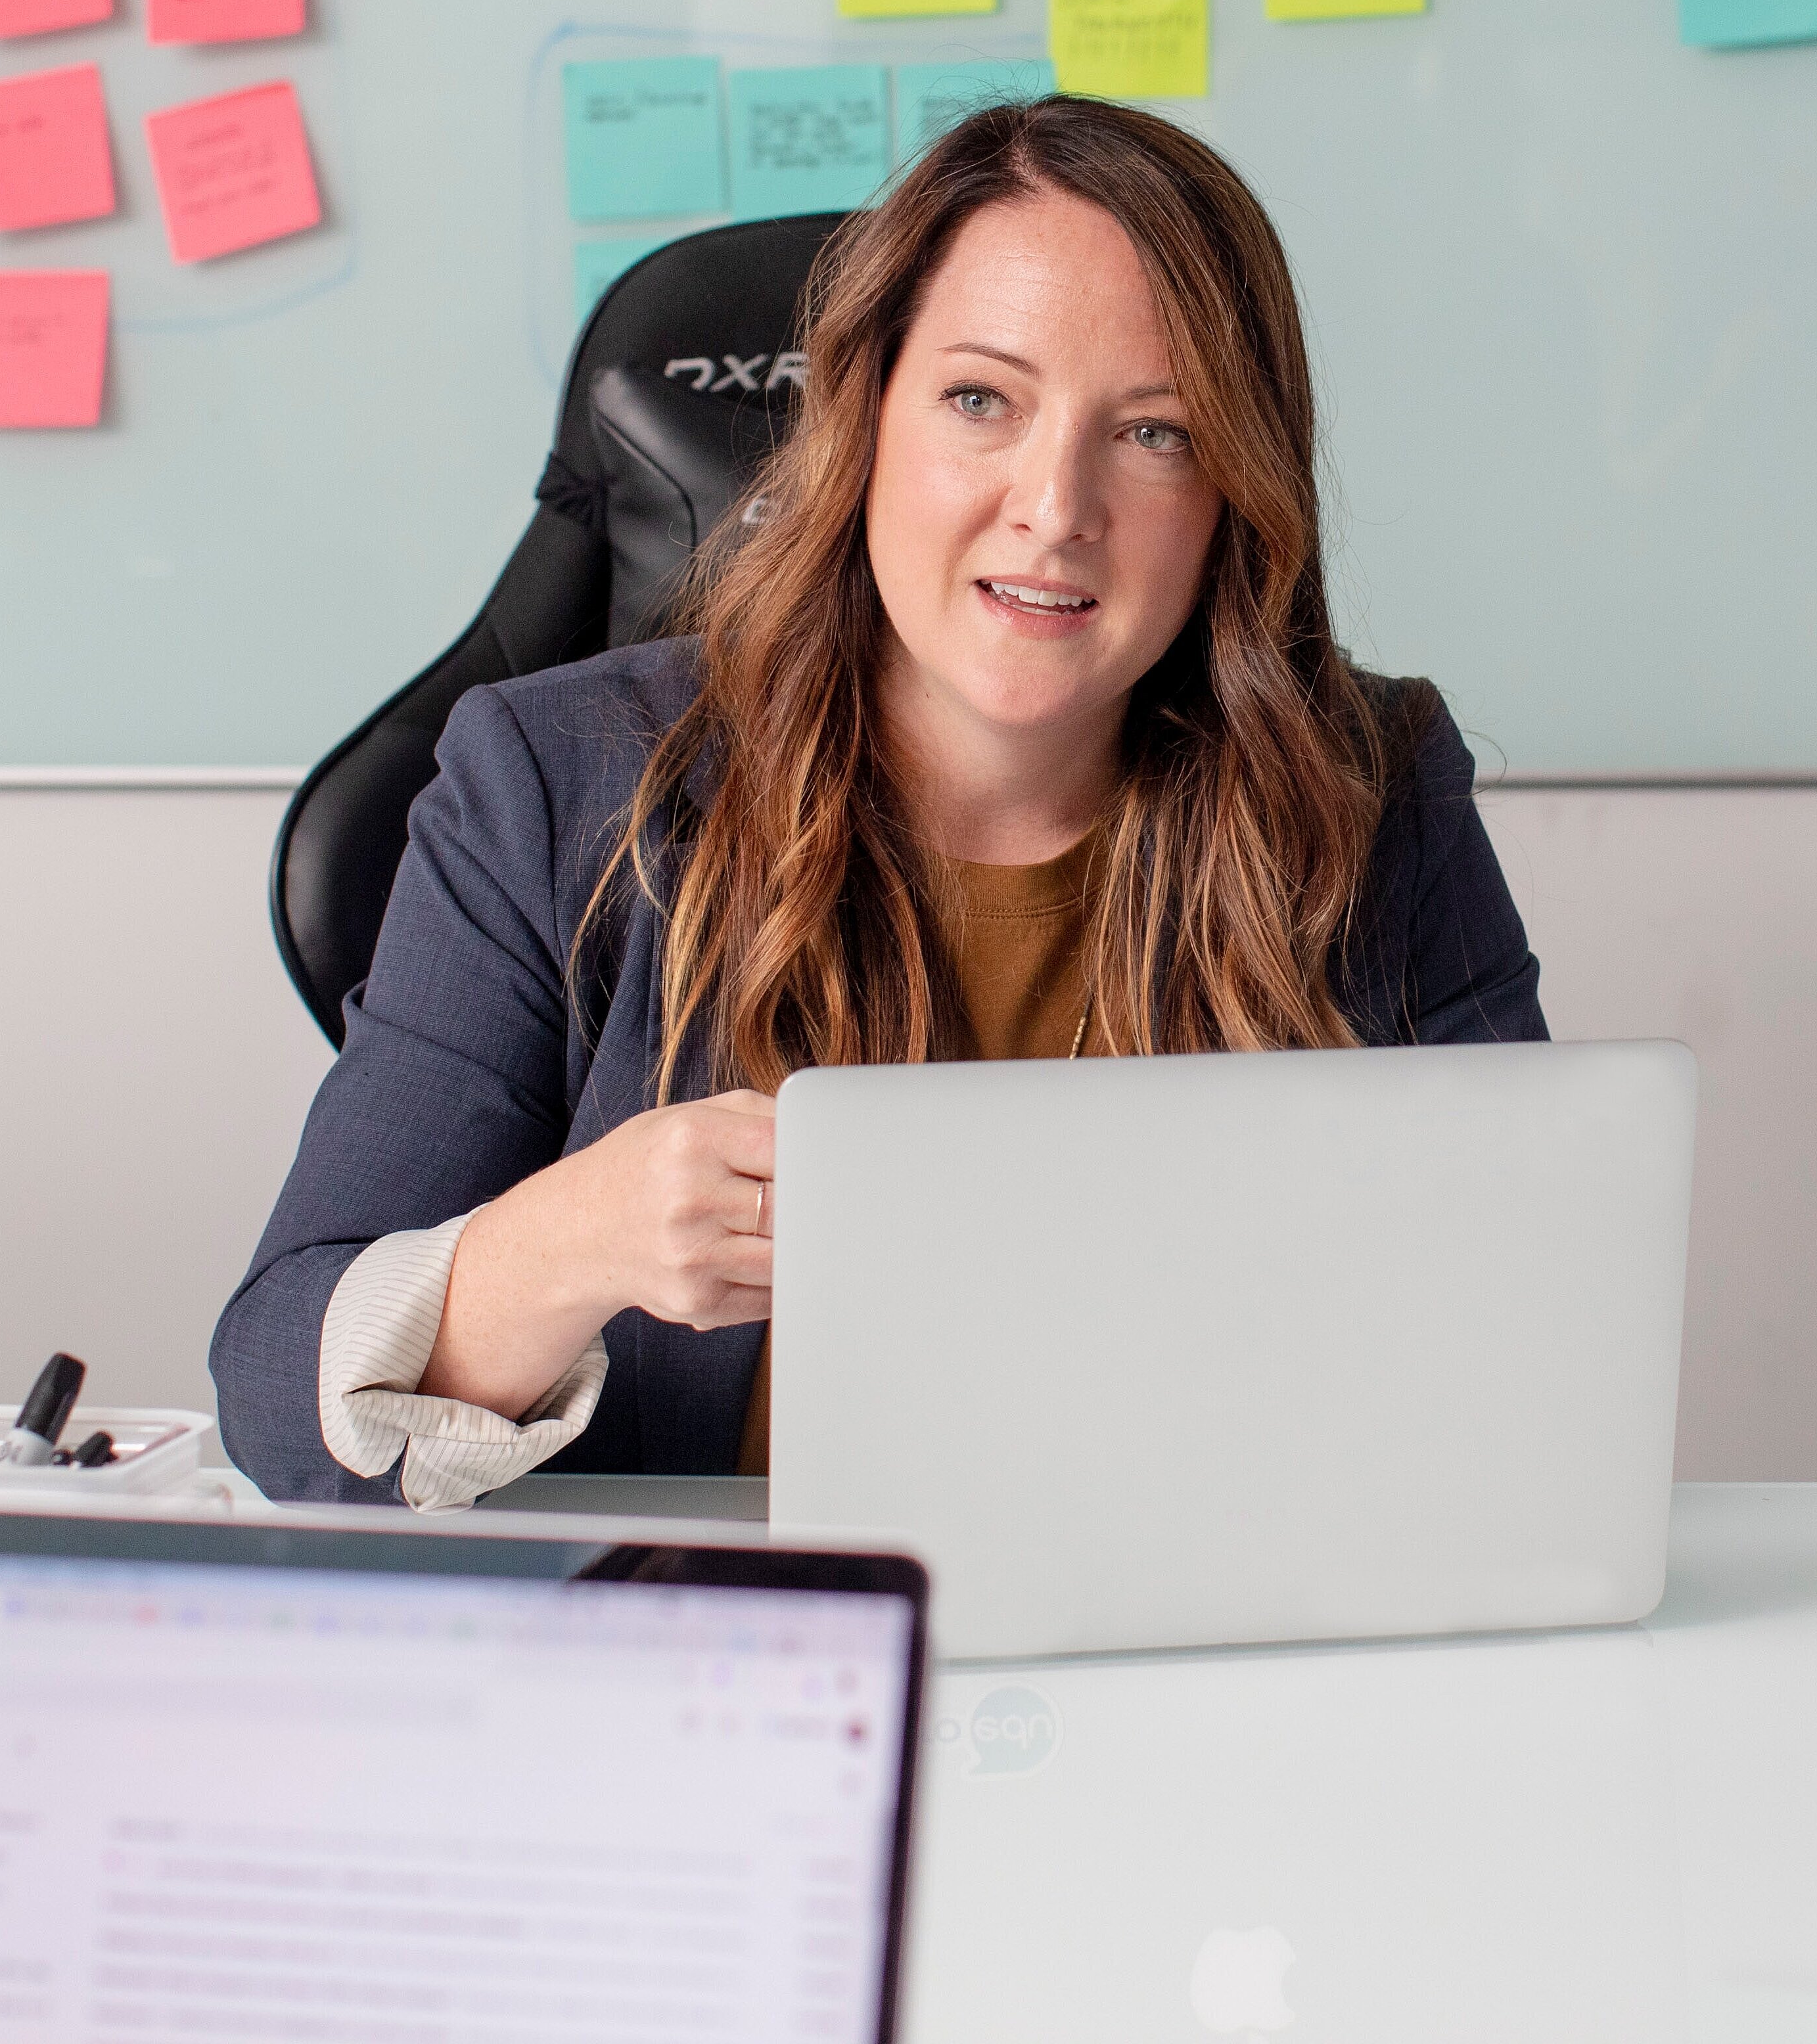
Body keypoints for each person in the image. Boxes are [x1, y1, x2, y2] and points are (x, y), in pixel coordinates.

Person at [216, 99, 1548, 1505]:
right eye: (982, 399)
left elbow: (1535, 1320)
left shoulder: (1368, 784)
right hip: (724, 1654)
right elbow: (274, 1402)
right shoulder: (555, 781)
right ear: (864, 417)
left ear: (1234, 485)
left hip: (1191, 1632)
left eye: (1153, 431)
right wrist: (573, 1241)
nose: (1054, 504)